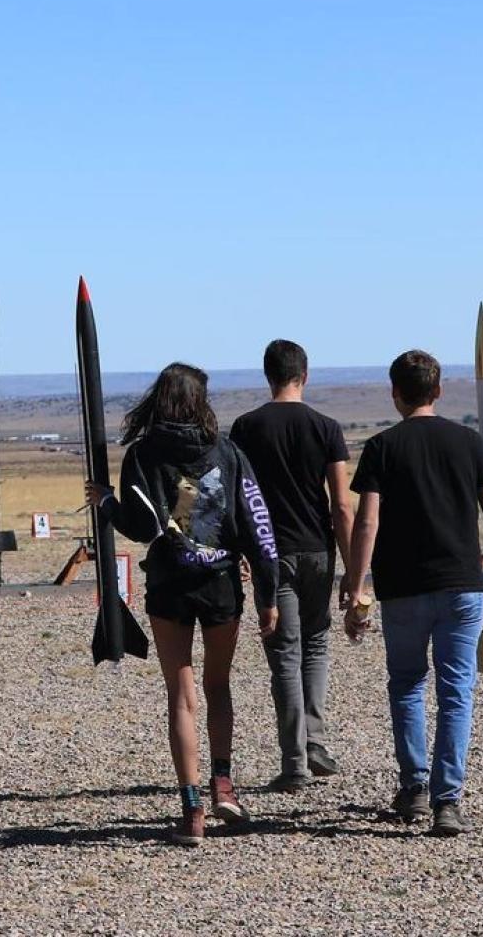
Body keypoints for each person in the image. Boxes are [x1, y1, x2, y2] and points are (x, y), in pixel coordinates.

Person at [85, 363, 279, 847]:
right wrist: (268, 595)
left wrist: (105, 503)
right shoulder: (229, 452)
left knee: (182, 695)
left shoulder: (144, 454)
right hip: (220, 585)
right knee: (219, 685)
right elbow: (259, 525)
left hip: (170, 585)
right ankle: (223, 784)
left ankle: (191, 809)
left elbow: (140, 525)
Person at [339, 350, 483, 837]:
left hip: (403, 589)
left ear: (395, 393)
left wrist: (356, 585)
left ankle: (413, 788)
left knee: (408, 686)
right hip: (460, 586)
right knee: (456, 692)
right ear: (438, 390)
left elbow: (367, 520)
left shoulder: (382, 447)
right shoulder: (467, 441)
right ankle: (447, 801)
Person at [230, 340, 353, 791]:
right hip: (319, 550)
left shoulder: (245, 427)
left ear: (268, 375)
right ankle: (314, 741)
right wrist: (354, 570)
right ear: (305, 374)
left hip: (270, 552)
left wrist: (241, 552)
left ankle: (295, 761)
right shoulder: (327, 427)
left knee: (284, 653)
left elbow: (237, 499)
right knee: (316, 645)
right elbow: (341, 505)